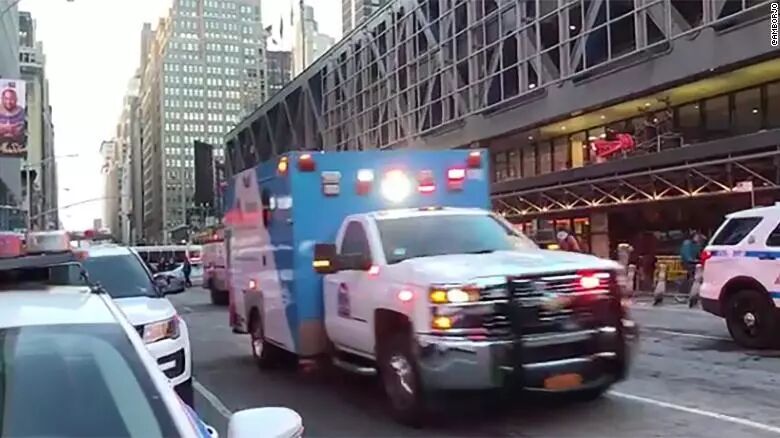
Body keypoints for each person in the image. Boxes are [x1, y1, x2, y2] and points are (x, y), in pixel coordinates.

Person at [679, 231, 704, 298]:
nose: (698, 239)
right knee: (693, 273)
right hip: (687, 263)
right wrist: (692, 260)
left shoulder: (697, 245)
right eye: (697, 237)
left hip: (693, 262)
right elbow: (687, 255)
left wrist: (699, 259)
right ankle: (686, 291)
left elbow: (699, 255)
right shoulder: (687, 243)